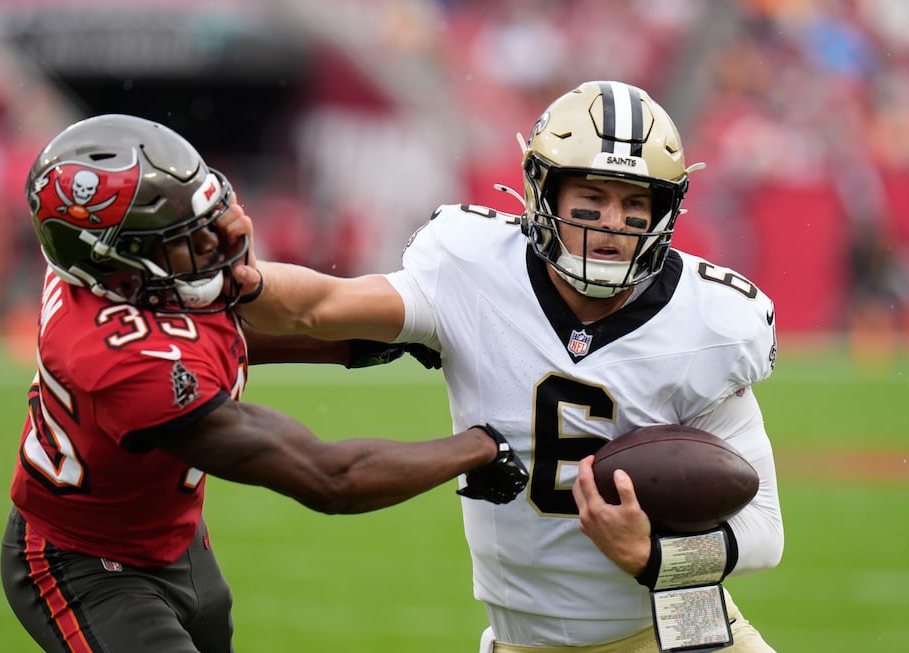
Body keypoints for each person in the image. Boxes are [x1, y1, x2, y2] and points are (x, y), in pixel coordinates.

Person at [223, 81, 784, 652]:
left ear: (664, 211)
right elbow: (318, 306)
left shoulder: (709, 322)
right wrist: (242, 275)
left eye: (635, 204)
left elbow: (765, 530)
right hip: (527, 642)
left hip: (681, 633)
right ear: (545, 193)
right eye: (591, 199)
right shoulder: (472, 269)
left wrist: (655, 555)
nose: (613, 222)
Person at [0, 114, 528, 653]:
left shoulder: (123, 285)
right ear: (118, 267)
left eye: (202, 215)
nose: (216, 238)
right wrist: (479, 446)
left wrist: (376, 342)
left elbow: (224, 338)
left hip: (174, 543)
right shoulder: (126, 364)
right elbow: (329, 477)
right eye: (181, 236)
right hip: (84, 563)